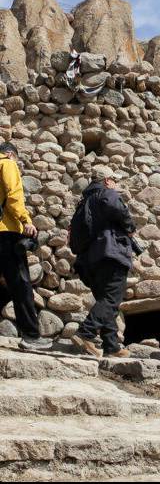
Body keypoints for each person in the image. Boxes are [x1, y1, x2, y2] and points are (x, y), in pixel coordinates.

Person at [71, 170, 139, 358]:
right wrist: (130, 227)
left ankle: (111, 346)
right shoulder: (106, 193)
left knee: (106, 300)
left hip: (89, 261)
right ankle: (85, 333)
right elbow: (114, 204)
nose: (115, 185)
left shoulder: (83, 202)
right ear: (108, 181)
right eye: (114, 181)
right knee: (111, 299)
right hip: (110, 255)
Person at [0, 142, 51, 351]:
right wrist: (26, 219)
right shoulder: (7, 164)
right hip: (5, 232)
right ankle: (31, 336)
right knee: (21, 285)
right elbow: (13, 195)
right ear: (11, 153)